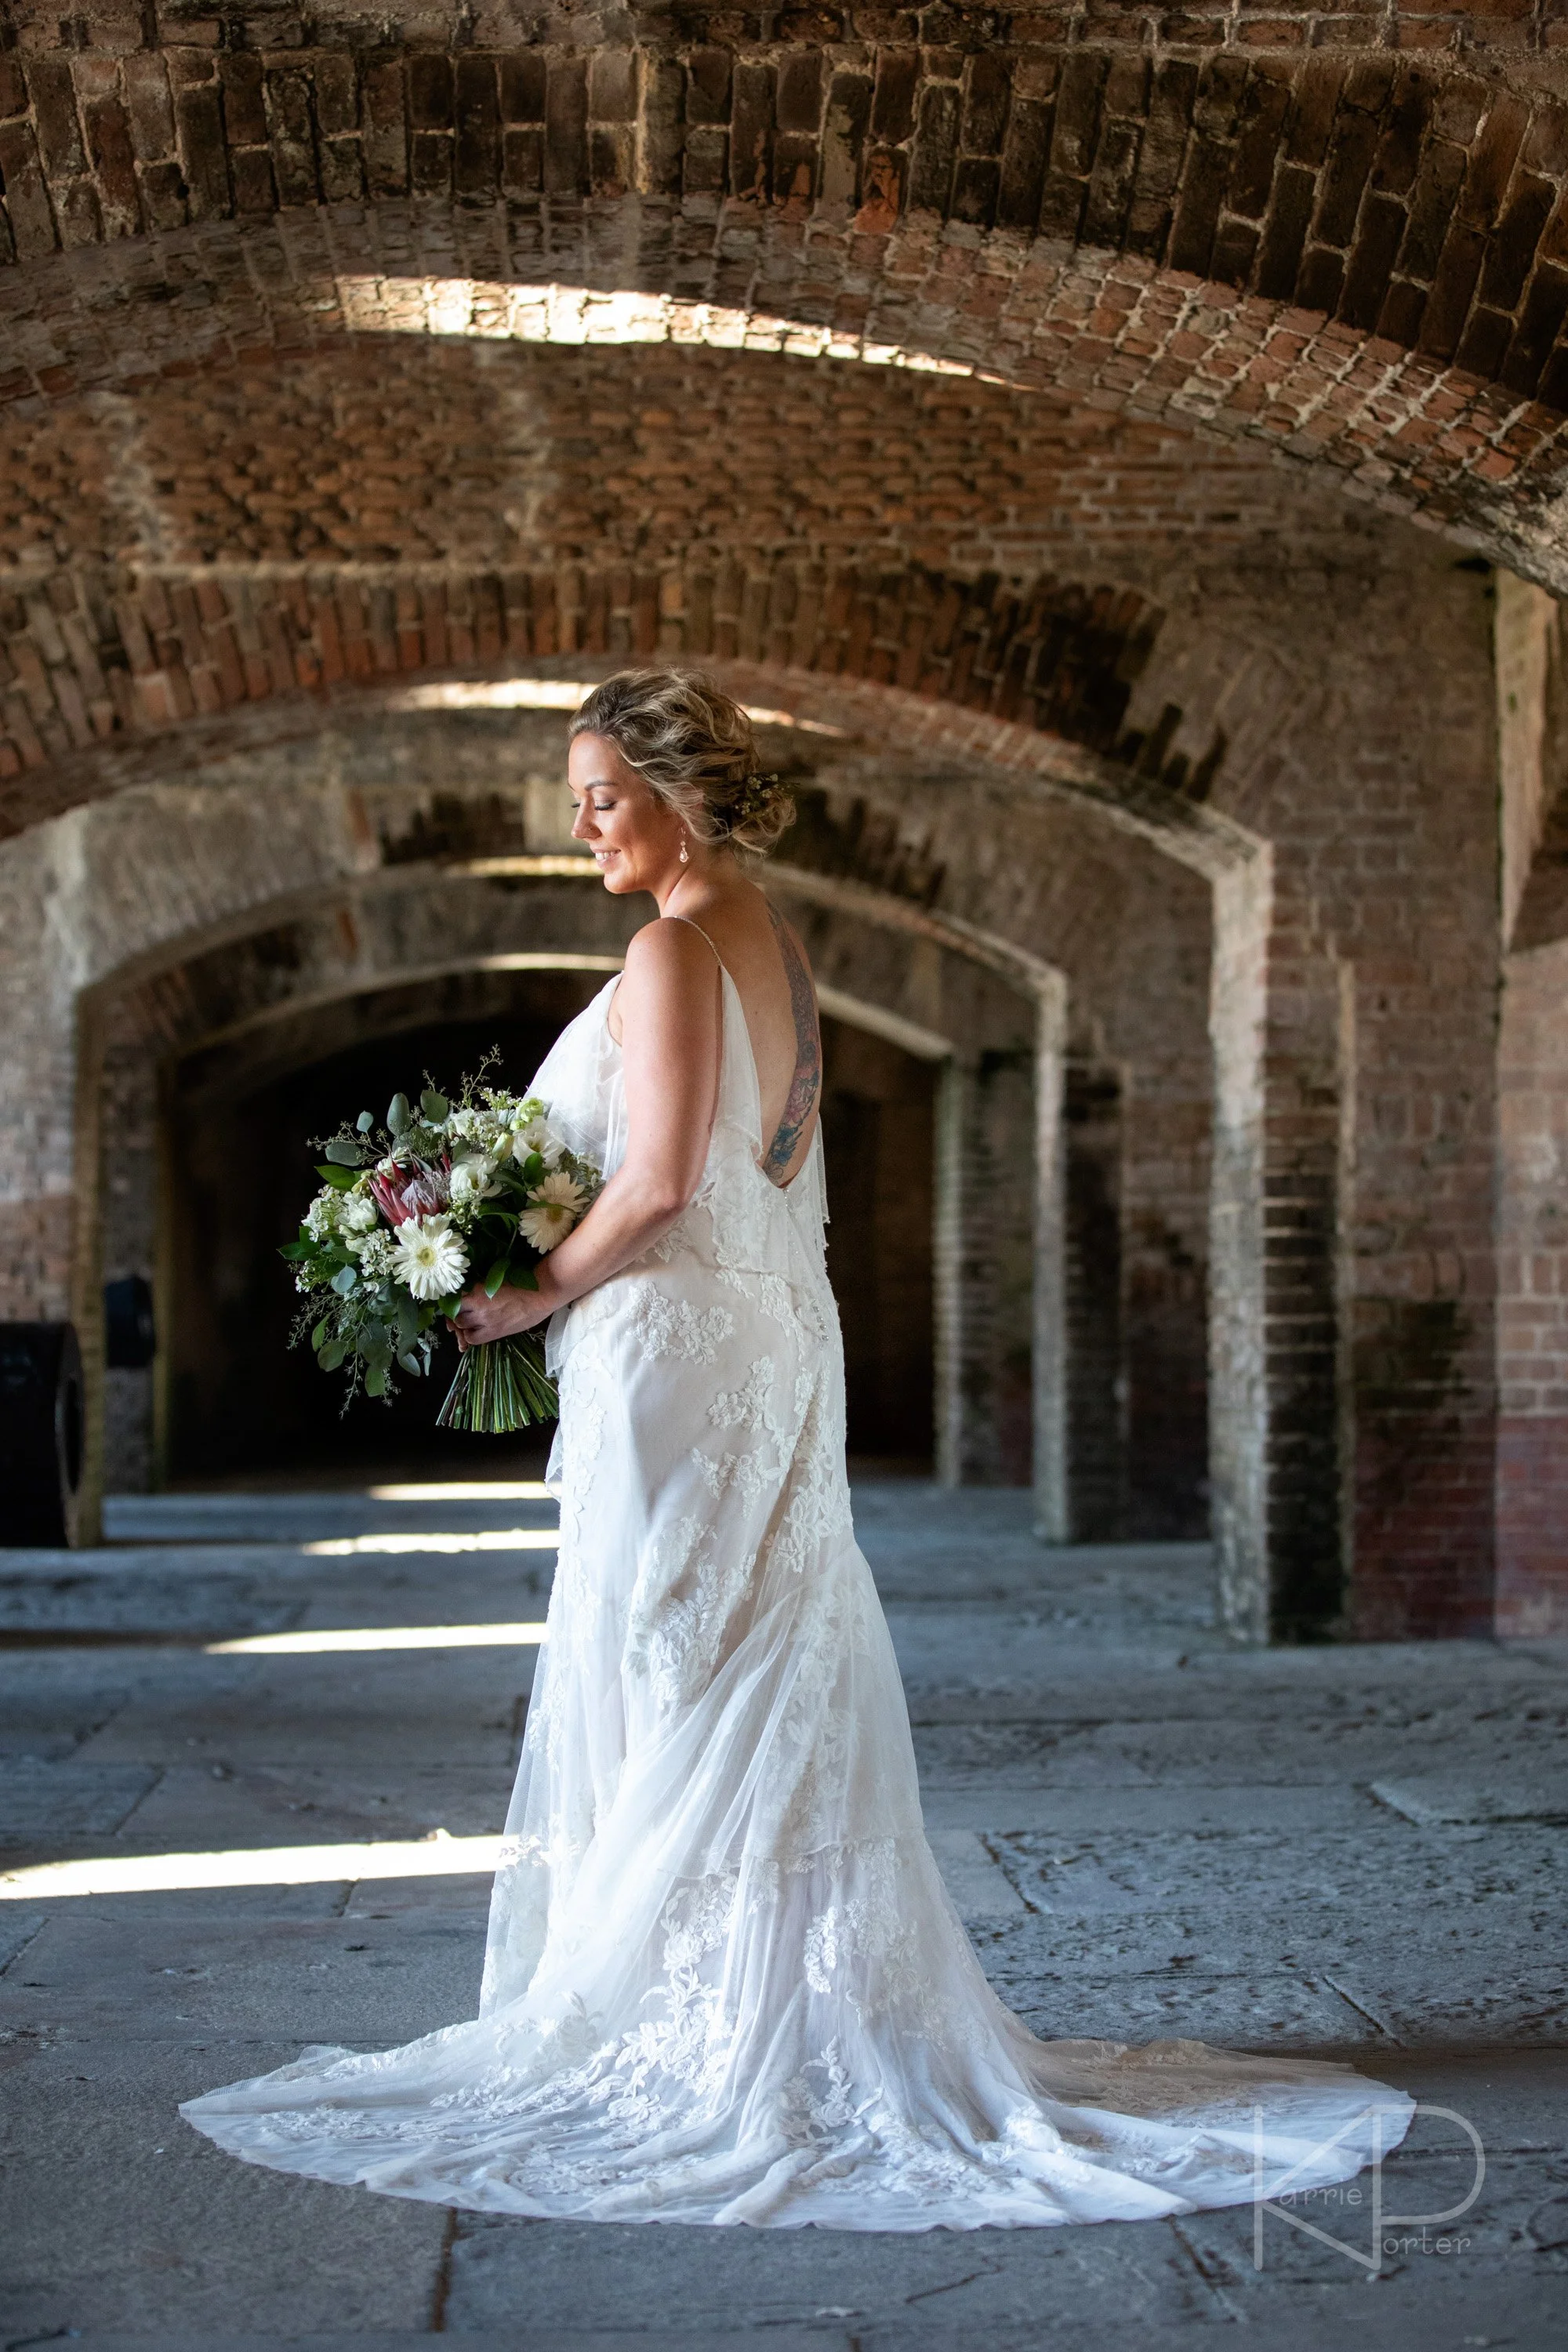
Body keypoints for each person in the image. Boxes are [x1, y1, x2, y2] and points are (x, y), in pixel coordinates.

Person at [183, 670, 1412, 2229]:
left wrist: (518, 1296)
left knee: (669, 1657)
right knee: (747, 1647)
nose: (583, 823)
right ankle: (764, 1990)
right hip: (766, 1333)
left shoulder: (674, 942)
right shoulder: (780, 943)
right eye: (579, 798)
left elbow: (668, 1175)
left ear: (681, 793)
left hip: (675, 1346)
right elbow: (775, 1157)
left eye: (603, 796)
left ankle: (691, 2020)